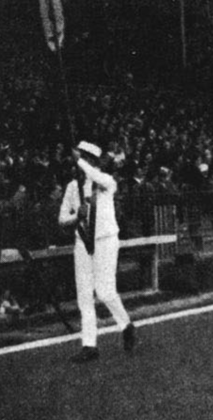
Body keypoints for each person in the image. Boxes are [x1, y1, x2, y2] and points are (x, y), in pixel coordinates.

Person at [57, 141, 136, 364]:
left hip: (105, 241)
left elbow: (95, 175)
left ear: (91, 161)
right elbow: (62, 218)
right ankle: (89, 345)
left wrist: (79, 160)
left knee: (105, 291)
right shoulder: (73, 187)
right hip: (82, 242)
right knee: (84, 295)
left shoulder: (106, 182)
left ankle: (126, 324)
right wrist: (76, 217)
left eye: (85, 159)